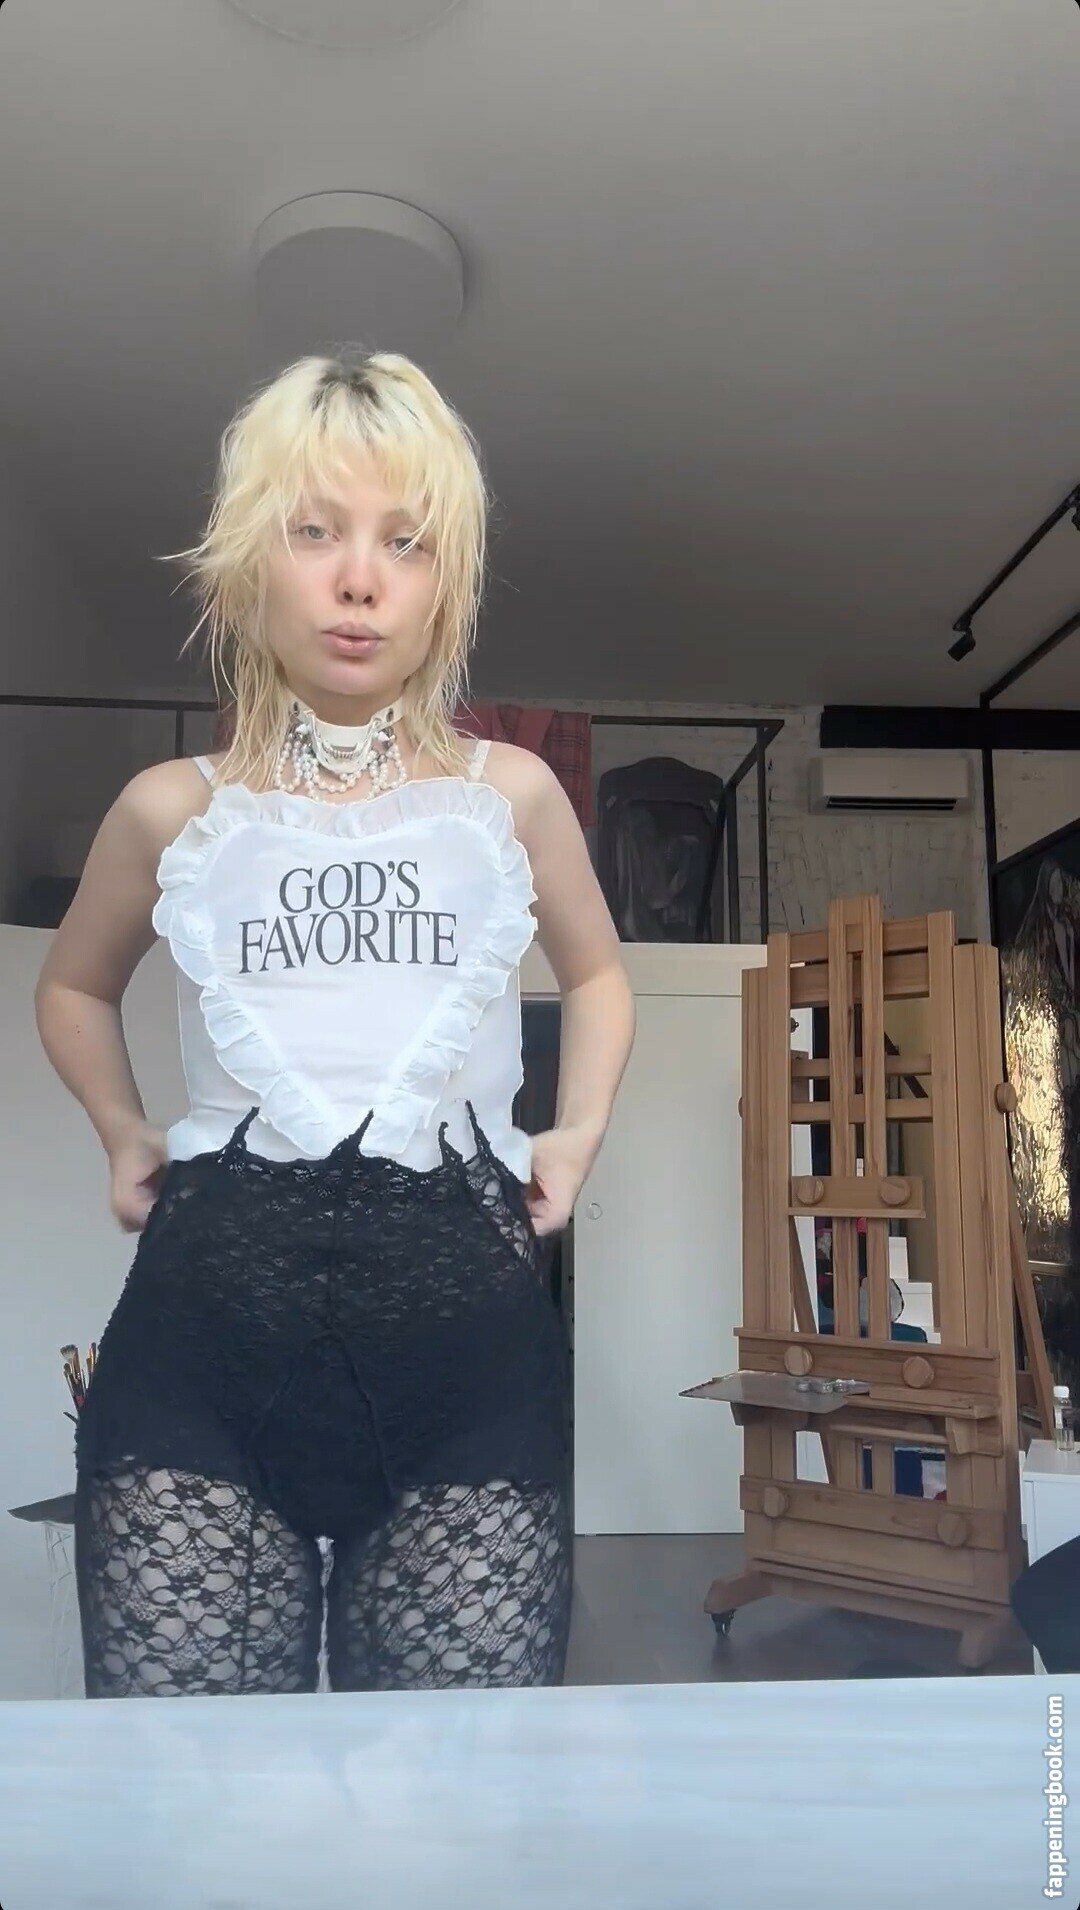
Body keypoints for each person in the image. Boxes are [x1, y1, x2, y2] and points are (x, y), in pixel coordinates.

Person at [34, 350, 636, 1698]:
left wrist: (576, 1133)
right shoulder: (170, 808)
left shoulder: (512, 797)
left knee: (455, 1789)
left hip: (467, 1365)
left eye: (404, 542)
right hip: (202, 1357)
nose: (361, 579)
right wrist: (123, 1129)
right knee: (189, 1787)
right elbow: (72, 985)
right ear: (248, 563)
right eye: (316, 532)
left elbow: (598, 975)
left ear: (444, 584)